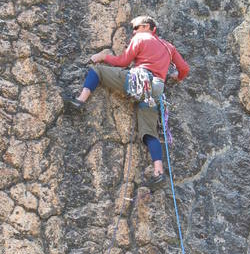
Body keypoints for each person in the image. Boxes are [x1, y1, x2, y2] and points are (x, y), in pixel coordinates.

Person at [64, 15, 190, 189]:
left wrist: (103, 56)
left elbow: (123, 61)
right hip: (156, 90)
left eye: (136, 27)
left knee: (97, 71)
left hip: (139, 80)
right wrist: (177, 77)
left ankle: (80, 100)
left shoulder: (141, 38)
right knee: (149, 132)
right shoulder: (169, 47)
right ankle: (158, 172)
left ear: (147, 27)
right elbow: (184, 69)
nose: (133, 31)